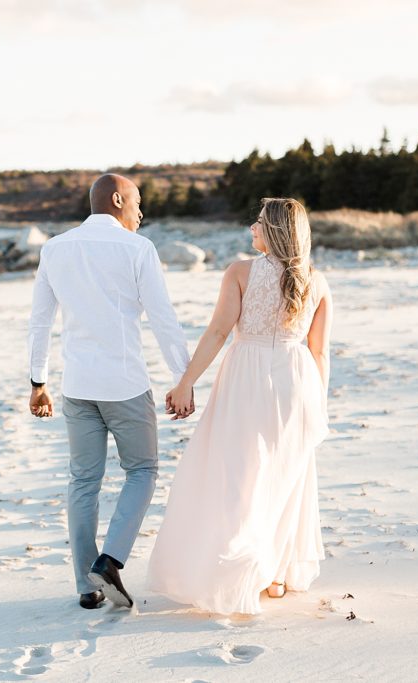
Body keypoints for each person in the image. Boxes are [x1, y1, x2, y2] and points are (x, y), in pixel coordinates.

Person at [148, 197, 333, 615]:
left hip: (246, 378)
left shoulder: (240, 273)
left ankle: (244, 568)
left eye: (260, 222)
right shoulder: (317, 282)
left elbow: (217, 331)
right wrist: (318, 403)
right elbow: (320, 353)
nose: (252, 227)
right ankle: (276, 574)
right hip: (296, 381)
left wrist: (186, 382)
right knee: (286, 477)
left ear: (276, 231)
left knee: (240, 474)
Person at [27, 173, 192, 609]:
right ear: (117, 199)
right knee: (142, 471)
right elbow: (162, 316)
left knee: (83, 481)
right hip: (125, 386)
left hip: (77, 387)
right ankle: (110, 559)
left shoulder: (56, 247)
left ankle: (87, 586)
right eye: (138, 202)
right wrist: (184, 376)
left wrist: (37, 382)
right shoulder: (138, 249)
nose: (141, 212)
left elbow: (40, 320)